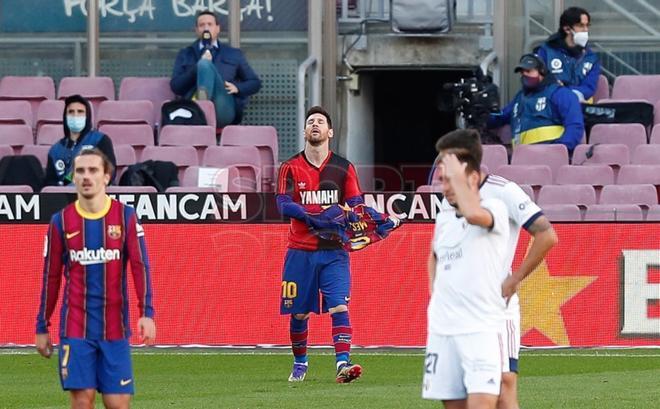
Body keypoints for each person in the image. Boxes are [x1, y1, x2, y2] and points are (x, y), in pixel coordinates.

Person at [433, 129, 558, 409]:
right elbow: (438, 249)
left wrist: (514, 279)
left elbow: (546, 235)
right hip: (458, 307)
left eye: (446, 160)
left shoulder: (504, 191)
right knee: (457, 392)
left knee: (503, 383)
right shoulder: (447, 198)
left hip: (495, 306)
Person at [36, 148, 156, 409]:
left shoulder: (125, 217)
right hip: (76, 327)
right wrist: (42, 325)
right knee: (82, 400)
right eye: (80, 171)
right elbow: (51, 277)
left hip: (115, 328)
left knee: (118, 403)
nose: (86, 176)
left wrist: (146, 312)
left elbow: (140, 266)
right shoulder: (61, 222)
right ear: (73, 177)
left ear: (106, 177)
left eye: (93, 170)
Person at [276, 106, 364, 383]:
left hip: (334, 251)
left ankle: (342, 364)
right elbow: (282, 203)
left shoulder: (343, 167)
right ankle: (300, 362)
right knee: (299, 312)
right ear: (304, 131)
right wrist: (313, 217)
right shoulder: (290, 167)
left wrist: (352, 217)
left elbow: (356, 204)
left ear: (330, 132)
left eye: (320, 122)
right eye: (310, 121)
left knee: (339, 305)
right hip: (300, 251)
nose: (315, 124)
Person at [424, 132, 510, 409]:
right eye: (442, 180)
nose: (445, 187)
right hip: (443, 331)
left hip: (479, 330)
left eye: (450, 179)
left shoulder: (493, 208)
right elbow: (434, 256)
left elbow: (474, 214)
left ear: (472, 178)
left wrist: (458, 176)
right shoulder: (444, 217)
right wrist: (435, 294)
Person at [170, 10, 262, 127]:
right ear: (197, 30)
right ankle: (201, 104)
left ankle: (202, 106)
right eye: (202, 25)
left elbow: (255, 83)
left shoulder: (233, 54)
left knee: (205, 65)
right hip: (192, 105)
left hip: (223, 108)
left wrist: (237, 88)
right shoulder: (185, 54)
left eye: (210, 24)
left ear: (218, 28)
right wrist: (196, 68)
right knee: (203, 65)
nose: (206, 28)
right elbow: (176, 87)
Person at [488, 53, 584, 152]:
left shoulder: (560, 94)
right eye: (522, 72)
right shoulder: (519, 98)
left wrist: (558, 151)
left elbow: (574, 127)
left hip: (551, 158)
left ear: (541, 71)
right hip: (521, 159)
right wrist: (484, 114)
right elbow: (499, 117)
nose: (524, 75)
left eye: (528, 71)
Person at [44, 94, 116, 187]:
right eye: (71, 112)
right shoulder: (55, 150)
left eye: (80, 112)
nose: (75, 115)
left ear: (87, 116)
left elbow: (110, 173)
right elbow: (50, 184)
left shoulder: (100, 140)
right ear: (65, 117)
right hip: (63, 198)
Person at [536, 7, 600, 103]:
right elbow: (539, 81)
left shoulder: (591, 58)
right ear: (567, 29)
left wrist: (566, 91)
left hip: (578, 106)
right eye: (581, 26)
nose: (586, 30)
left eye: (587, 26)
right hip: (550, 106)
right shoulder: (546, 52)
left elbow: (589, 88)